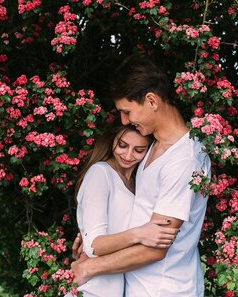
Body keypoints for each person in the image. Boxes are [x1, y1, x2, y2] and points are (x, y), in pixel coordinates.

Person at [72, 55, 211, 297]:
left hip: (166, 290)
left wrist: (90, 266)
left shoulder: (183, 160)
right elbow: (138, 212)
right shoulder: (153, 147)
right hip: (137, 287)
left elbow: (156, 248)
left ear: (151, 101)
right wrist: (95, 240)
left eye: (127, 112)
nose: (124, 120)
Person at [71, 123, 179, 297]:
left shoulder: (138, 183)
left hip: (120, 287)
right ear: (112, 140)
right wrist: (139, 234)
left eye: (139, 150)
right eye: (122, 145)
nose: (128, 155)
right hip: (93, 289)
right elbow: (93, 246)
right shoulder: (100, 173)